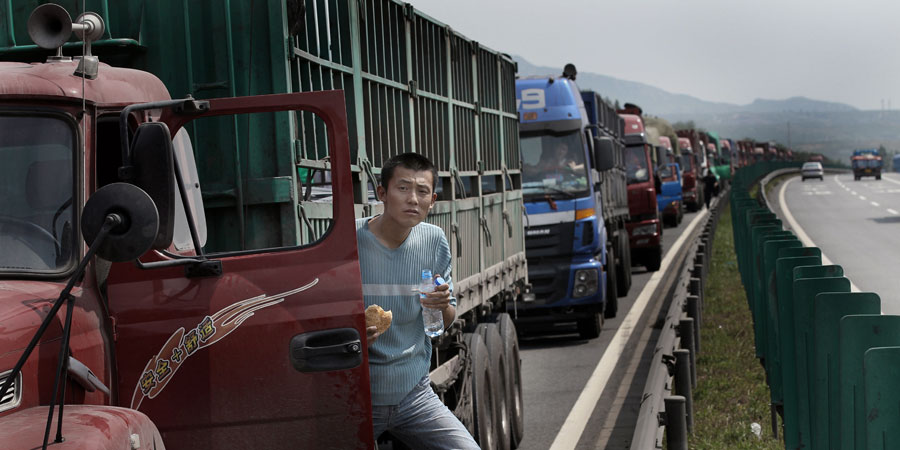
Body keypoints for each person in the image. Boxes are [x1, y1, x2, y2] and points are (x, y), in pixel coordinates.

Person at [358, 152, 479, 449]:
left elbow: (438, 326)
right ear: (382, 193)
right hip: (358, 397)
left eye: (422, 191)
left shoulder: (434, 241)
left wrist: (442, 306)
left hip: (414, 395)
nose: (413, 198)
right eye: (403, 188)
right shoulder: (350, 241)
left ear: (432, 200)